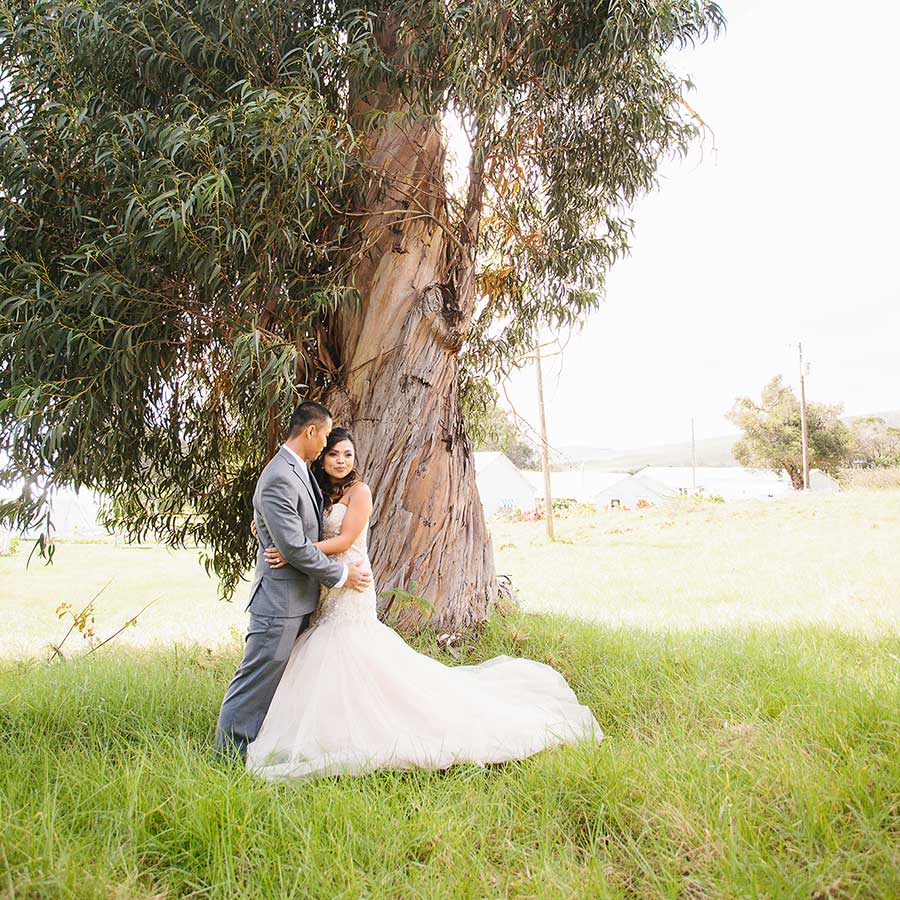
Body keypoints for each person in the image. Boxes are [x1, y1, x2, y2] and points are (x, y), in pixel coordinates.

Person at [246, 427, 602, 780]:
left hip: (351, 582)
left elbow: (345, 538)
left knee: (349, 650)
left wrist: (293, 552)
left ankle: (376, 724)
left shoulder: (360, 492)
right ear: (322, 458)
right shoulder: (315, 490)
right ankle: (331, 727)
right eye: (333, 454)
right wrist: (270, 531)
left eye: (347, 454)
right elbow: (292, 523)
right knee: (323, 656)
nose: (340, 460)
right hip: (325, 585)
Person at [214, 402, 372, 760]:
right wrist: (342, 574)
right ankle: (228, 756)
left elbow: (300, 527)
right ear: (311, 432)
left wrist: (267, 528)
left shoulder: (299, 470)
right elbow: (295, 546)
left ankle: (267, 744)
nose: (328, 449)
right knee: (257, 676)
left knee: (285, 679)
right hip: (279, 599)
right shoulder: (279, 475)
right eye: (327, 440)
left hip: (302, 597)